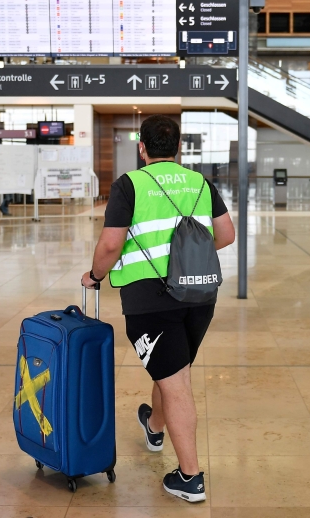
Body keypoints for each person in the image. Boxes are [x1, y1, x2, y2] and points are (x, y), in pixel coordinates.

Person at [80, 115, 235, 504]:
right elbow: (226, 235)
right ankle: (154, 425)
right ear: (178, 147)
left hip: (151, 302)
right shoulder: (199, 182)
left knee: (176, 382)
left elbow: (111, 246)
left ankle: (190, 477)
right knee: (174, 367)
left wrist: (95, 275)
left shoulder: (130, 185)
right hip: (199, 296)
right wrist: (184, 259)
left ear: (142, 148)